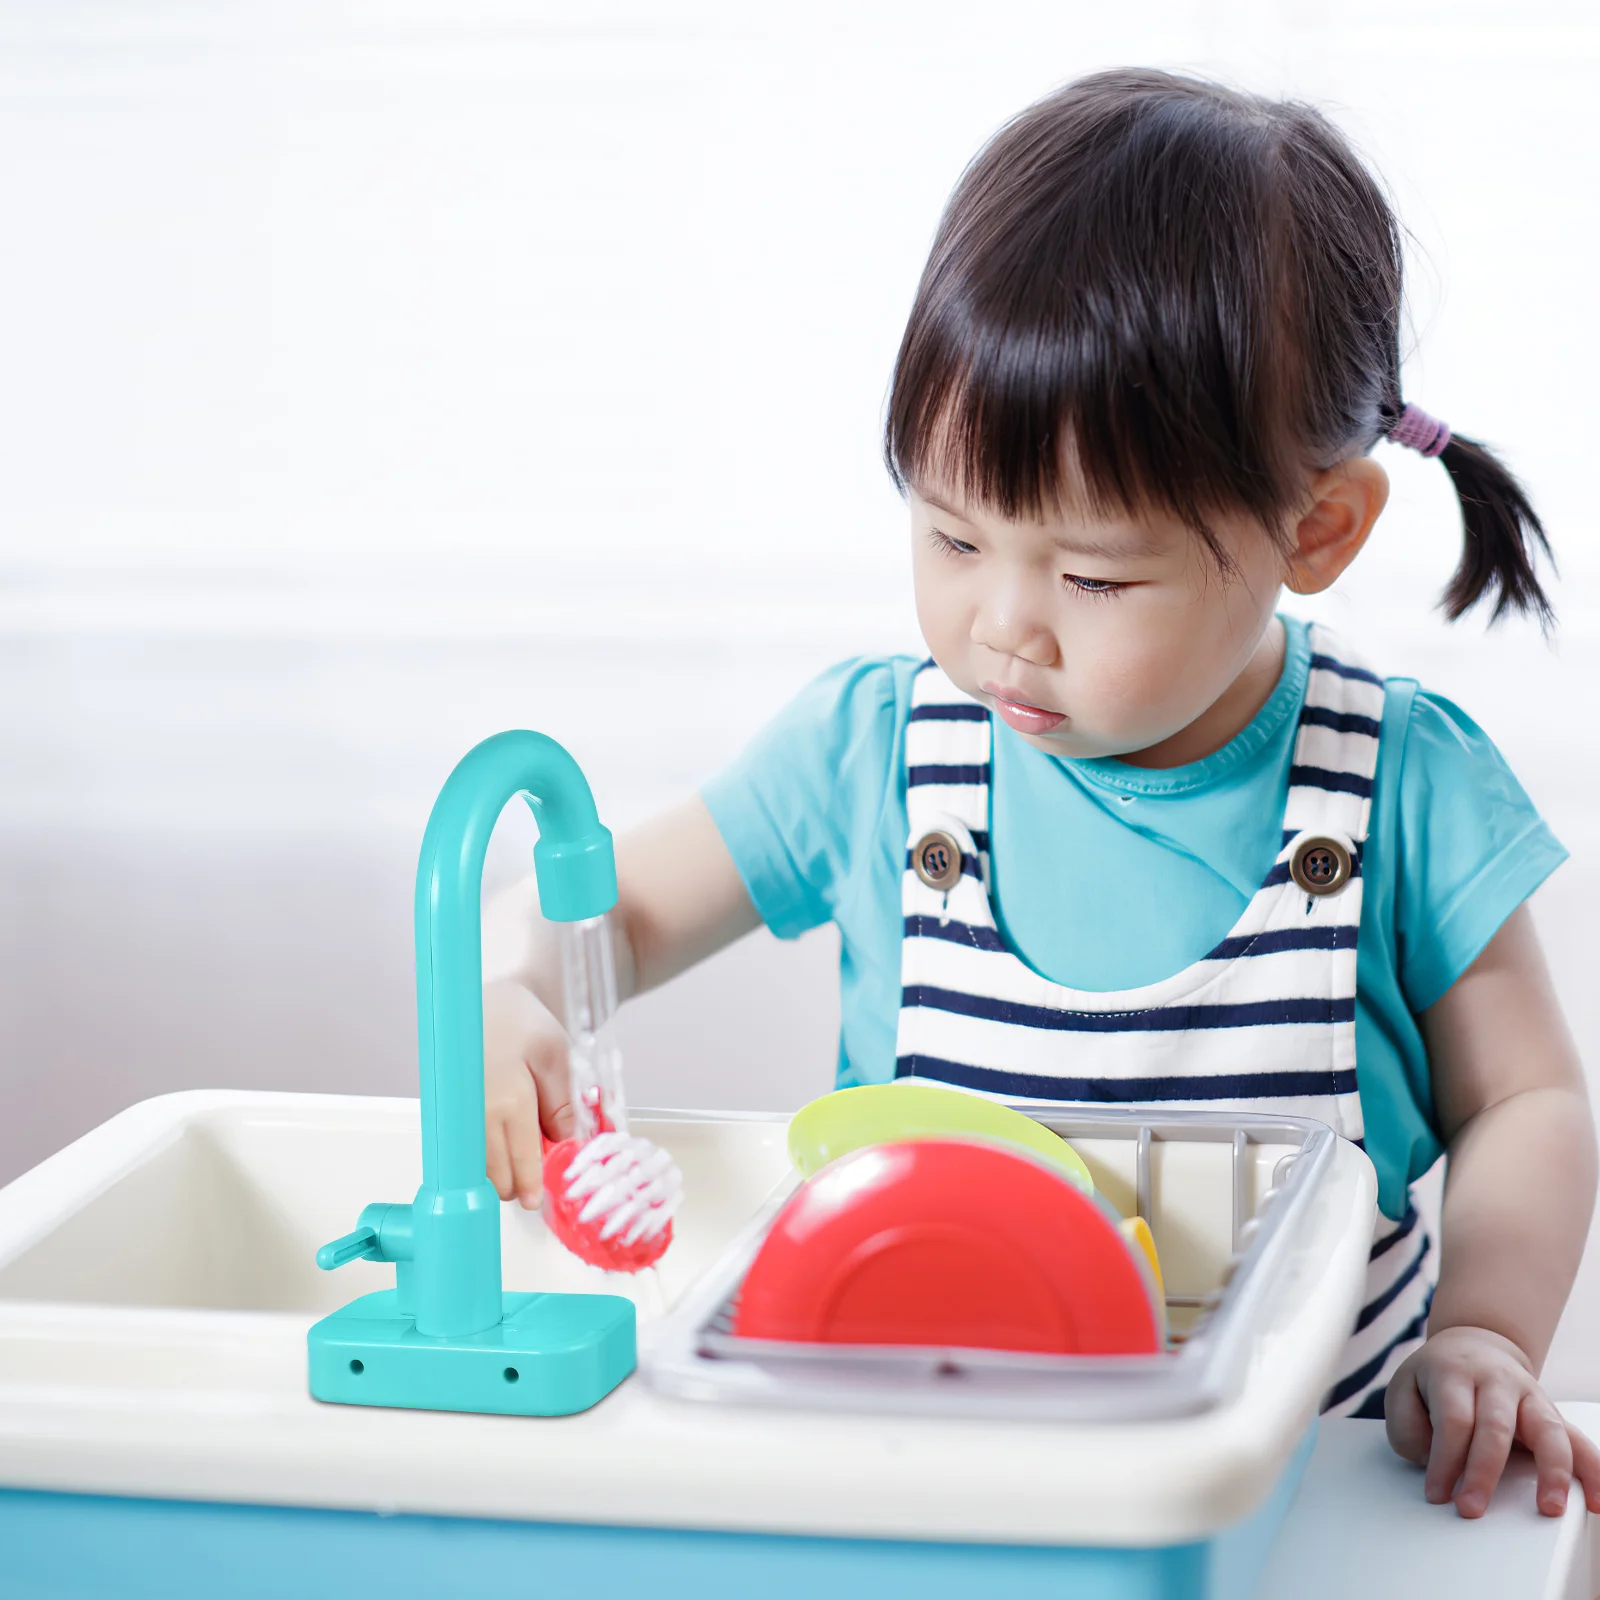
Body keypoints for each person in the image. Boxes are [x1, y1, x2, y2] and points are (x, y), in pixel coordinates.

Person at [482, 69, 1600, 1519]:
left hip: (1290, 1496)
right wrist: (517, 987)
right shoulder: (873, 753)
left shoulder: (1401, 783)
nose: (1004, 623)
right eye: (950, 536)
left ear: (1313, 527)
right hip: (917, 1476)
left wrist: (1489, 1335)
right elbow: (599, 909)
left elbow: (1524, 1098)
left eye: (1091, 575)